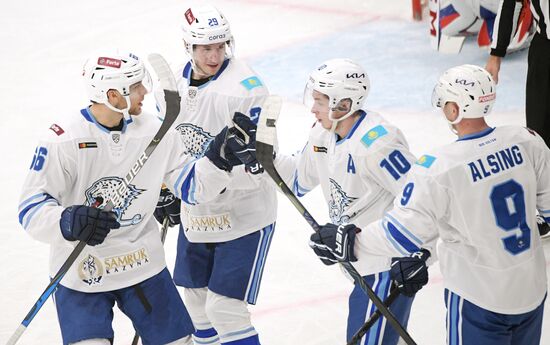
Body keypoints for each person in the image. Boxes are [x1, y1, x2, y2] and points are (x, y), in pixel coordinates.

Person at [17, 51, 251, 345]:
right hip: (81, 272)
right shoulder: (64, 139)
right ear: (113, 95)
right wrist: (67, 221)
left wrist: (219, 160)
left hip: (142, 265)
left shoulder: (155, 131)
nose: (145, 91)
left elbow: (192, 187)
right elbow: (30, 207)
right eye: (136, 86)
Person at [311, 64, 550, 345]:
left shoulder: (440, 167)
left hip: (478, 297)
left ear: (453, 109)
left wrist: (350, 242)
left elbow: (398, 234)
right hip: (531, 291)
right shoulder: (527, 140)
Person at [153, 5, 277, 345]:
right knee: (194, 300)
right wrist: (167, 187)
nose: (215, 55)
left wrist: (207, 181)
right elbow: (166, 141)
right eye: (206, 48)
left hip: (243, 214)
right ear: (189, 47)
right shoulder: (173, 83)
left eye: (221, 46)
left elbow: (261, 167)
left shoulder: (247, 90)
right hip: (198, 212)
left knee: (224, 308)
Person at [275, 58, 418, 345]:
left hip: (386, 268)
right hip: (361, 264)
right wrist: (265, 156)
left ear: (344, 103)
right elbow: (297, 182)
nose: (312, 108)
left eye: (319, 100)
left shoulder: (377, 143)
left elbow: (420, 198)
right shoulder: (322, 134)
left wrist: (417, 257)